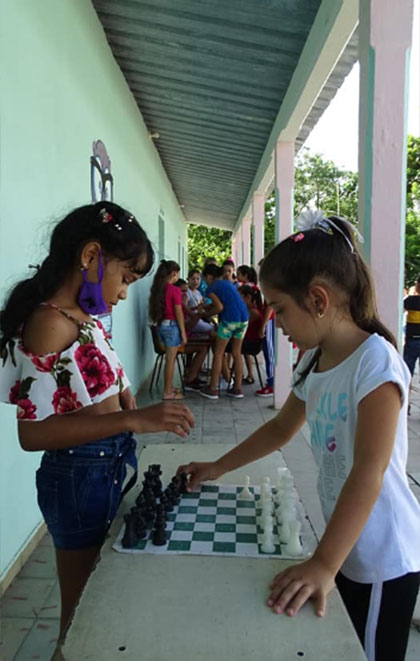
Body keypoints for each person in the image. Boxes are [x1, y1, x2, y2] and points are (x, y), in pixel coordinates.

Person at [178, 213, 420, 661]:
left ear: (318, 299)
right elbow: (279, 428)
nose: (274, 321)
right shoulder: (318, 360)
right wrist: (216, 468)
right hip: (346, 545)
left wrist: (324, 563)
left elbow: (370, 472)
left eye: (280, 308)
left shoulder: (376, 364)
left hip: (384, 557)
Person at [0, 202, 194, 636]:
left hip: (104, 469)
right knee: (82, 619)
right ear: (90, 256)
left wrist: (125, 396)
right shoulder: (49, 322)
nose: (123, 293)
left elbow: (101, 387)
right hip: (77, 477)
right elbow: (32, 435)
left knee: (104, 602)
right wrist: (133, 421)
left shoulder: (83, 319)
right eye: (124, 277)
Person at [199, 264, 249, 400]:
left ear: (208, 276)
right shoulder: (227, 284)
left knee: (219, 353)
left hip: (229, 321)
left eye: (205, 278)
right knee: (237, 353)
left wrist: (205, 312)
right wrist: (209, 306)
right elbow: (225, 302)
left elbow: (219, 307)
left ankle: (213, 388)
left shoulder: (211, 288)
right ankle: (237, 389)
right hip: (243, 319)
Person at [149, 260, 187, 400]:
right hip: (172, 327)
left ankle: (169, 387)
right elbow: (178, 313)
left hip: (161, 326)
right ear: (173, 274)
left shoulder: (157, 289)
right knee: (170, 361)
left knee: (168, 359)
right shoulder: (174, 290)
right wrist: (183, 333)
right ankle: (167, 392)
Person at [238, 285, 263, 384]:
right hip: (249, 341)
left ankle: (232, 378)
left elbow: (241, 327)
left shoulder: (252, 312)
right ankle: (248, 375)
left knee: (223, 348)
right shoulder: (251, 310)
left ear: (248, 297)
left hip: (252, 343)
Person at [403, 275, 420, 414]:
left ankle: (407, 404)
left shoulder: (410, 301)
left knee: (407, 373)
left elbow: (401, 312)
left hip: (412, 341)